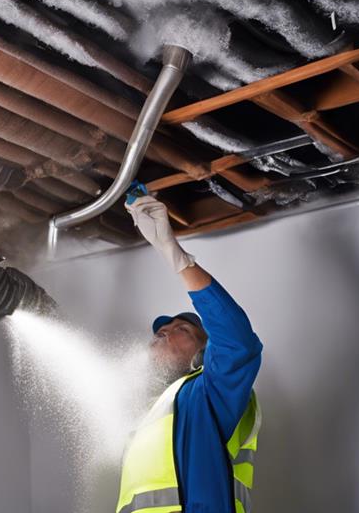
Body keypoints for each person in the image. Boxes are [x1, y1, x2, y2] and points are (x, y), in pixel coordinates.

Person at [116, 195, 262, 513]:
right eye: (160, 333)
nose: (164, 334)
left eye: (181, 331)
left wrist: (176, 257)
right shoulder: (144, 416)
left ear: (203, 354)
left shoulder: (207, 394)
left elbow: (238, 343)